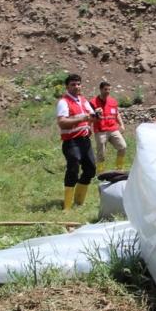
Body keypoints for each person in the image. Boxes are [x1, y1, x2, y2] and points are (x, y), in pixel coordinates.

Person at [56, 73, 98, 210]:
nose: (76, 87)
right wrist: (82, 119)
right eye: (73, 84)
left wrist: (97, 115)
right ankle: (67, 205)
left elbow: (91, 118)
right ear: (67, 86)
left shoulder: (83, 100)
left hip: (85, 140)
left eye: (78, 84)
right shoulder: (64, 102)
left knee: (91, 169)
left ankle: (79, 201)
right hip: (72, 141)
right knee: (73, 167)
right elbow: (62, 122)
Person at [89, 81, 127, 173]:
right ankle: (100, 173)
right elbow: (89, 116)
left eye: (109, 89)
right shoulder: (92, 102)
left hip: (113, 129)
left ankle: (119, 169)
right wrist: (95, 114)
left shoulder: (113, 101)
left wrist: (121, 124)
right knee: (101, 153)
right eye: (105, 89)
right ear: (101, 89)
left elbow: (116, 113)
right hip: (100, 130)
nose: (107, 91)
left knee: (123, 146)